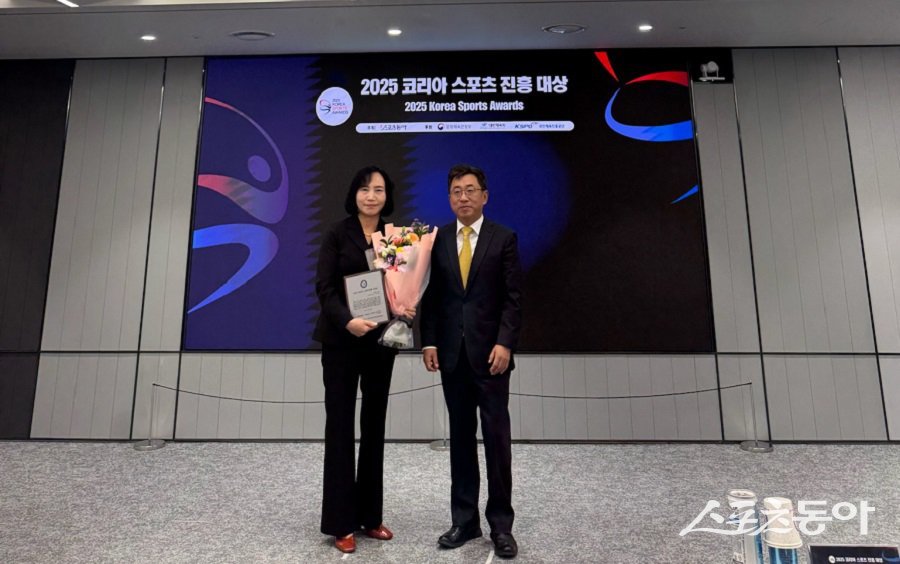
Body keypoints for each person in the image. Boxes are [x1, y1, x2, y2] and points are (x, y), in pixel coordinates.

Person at [421, 164, 523, 559]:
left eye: (470, 190)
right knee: (461, 440)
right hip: (452, 356)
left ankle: (501, 525)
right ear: (449, 198)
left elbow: (513, 298)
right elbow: (432, 296)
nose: (463, 197)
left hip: (492, 357)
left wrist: (505, 343)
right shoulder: (438, 240)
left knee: (496, 441)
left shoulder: (504, 238)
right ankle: (464, 521)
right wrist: (429, 342)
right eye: (456, 191)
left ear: (484, 196)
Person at [313, 165, 413, 554]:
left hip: (380, 342)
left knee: (374, 426)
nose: (371, 196)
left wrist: (406, 307)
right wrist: (347, 321)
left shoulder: (397, 237)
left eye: (379, 190)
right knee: (340, 427)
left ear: (388, 196)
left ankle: (370, 516)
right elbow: (324, 287)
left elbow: (402, 287)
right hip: (342, 340)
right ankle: (341, 522)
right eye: (365, 189)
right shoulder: (337, 234)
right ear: (354, 193)